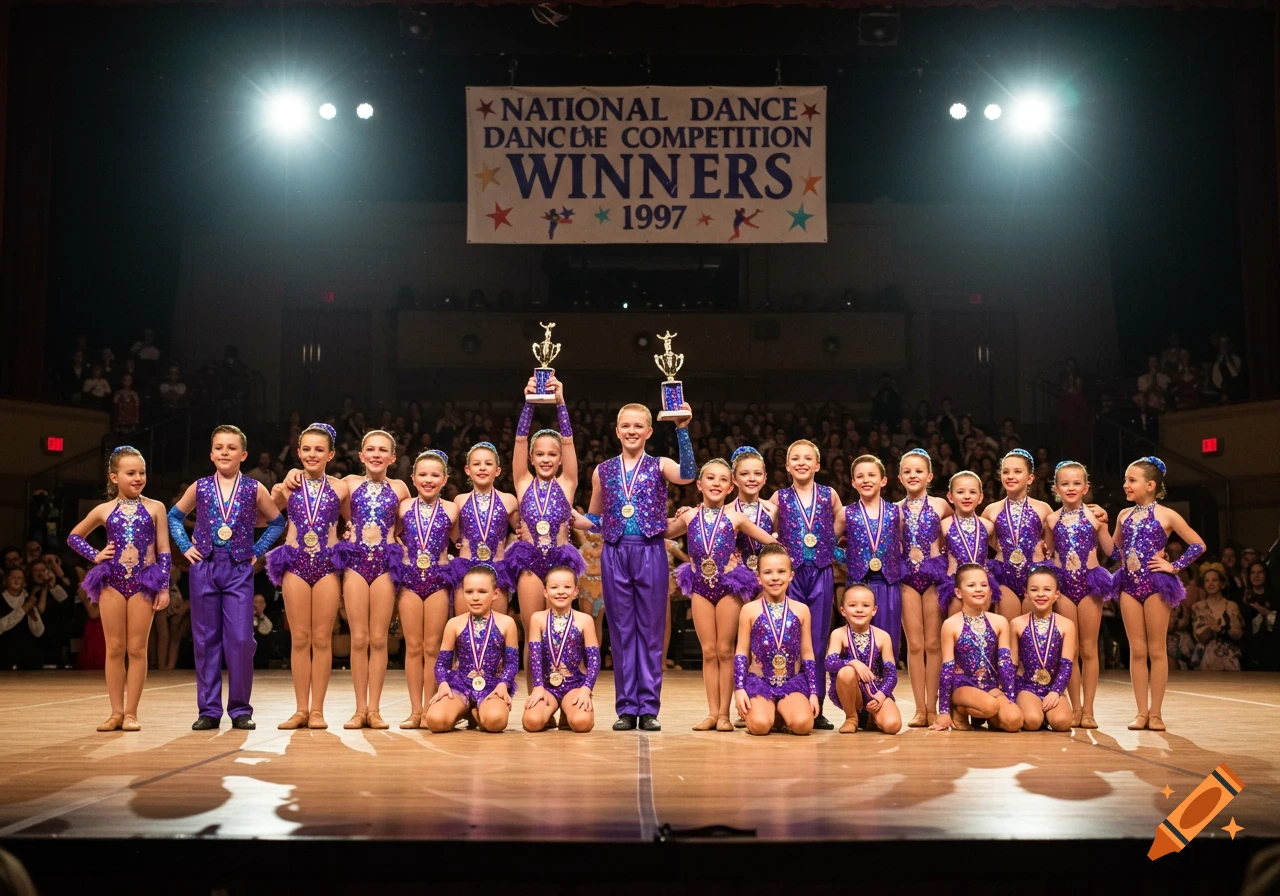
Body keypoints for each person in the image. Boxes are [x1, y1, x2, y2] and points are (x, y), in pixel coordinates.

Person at [581, 401, 695, 732]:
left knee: (650, 629)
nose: (631, 431)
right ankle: (627, 707)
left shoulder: (660, 465)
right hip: (615, 551)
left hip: (650, 550)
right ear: (617, 431)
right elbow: (594, 518)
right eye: (626, 426)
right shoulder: (602, 470)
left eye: (638, 426)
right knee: (620, 631)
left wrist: (682, 429)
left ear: (648, 431)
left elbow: (688, 475)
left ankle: (648, 707)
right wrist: (570, 518)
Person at [168, 425, 287, 731]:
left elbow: (277, 522)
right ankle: (208, 710)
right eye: (219, 447)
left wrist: (256, 550)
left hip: (237, 569)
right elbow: (174, 517)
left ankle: (240, 709)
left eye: (231, 448)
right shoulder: (200, 487)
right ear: (211, 453)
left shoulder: (253, 488)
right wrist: (185, 545)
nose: (224, 452)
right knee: (205, 640)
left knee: (241, 640)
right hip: (205, 567)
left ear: (243, 455)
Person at [66, 446, 172, 730]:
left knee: (137, 649)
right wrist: (95, 555)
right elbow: (74, 537)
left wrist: (163, 588)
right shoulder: (104, 509)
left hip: (143, 582)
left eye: (142, 472)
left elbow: (163, 550)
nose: (138, 478)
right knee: (114, 648)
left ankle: (131, 713)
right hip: (111, 582)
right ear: (114, 477)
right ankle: (115, 713)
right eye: (131, 473)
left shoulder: (156, 507)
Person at [667, 459, 775, 731]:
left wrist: (774, 568)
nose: (716, 483)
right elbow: (662, 531)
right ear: (699, 484)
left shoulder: (737, 518)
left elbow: (771, 542)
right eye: (710, 478)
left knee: (726, 651)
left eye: (723, 479)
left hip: (729, 586)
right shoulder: (689, 517)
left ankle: (725, 714)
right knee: (708, 651)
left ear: (730, 487)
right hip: (700, 586)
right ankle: (712, 713)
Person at [1111, 457, 1205, 731]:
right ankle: (1141, 712)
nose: (1126, 484)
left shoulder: (1167, 515)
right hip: (1128, 584)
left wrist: (1173, 566)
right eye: (1126, 480)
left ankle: (1156, 713)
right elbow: (1114, 550)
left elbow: (1198, 545)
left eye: (1132, 480)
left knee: (1156, 650)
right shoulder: (1123, 515)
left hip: (1156, 584)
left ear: (1150, 485)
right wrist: (1100, 525)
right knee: (1137, 650)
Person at [267, 423, 350, 730]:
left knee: (322, 639)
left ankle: (317, 711)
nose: (312, 454)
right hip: (295, 563)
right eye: (306, 449)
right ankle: (300, 709)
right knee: (300, 639)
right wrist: (282, 488)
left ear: (331, 454)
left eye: (319, 449)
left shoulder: (341, 488)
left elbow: (356, 522)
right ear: (298, 452)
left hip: (327, 564)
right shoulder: (287, 486)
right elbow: (267, 517)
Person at [507, 376, 584, 692]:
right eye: (539, 454)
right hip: (529, 563)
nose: (546, 459)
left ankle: (564, 695)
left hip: (560, 563)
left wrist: (560, 403)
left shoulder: (567, 483)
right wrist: (528, 403)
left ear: (560, 458)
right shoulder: (522, 482)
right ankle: (534, 698)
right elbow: (519, 440)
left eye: (552, 454)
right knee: (533, 634)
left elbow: (568, 442)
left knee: (563, 631)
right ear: (531, 458)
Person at [333, 431, 411, 729]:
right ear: (361, 455)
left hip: (384, 565)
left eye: (382, 450)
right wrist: (291, 474)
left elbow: (405, 524)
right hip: (355, 563)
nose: (376, 454)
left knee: (379, 639)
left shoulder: (400, 488)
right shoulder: (348, 483)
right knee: (359, 638)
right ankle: (359, 710)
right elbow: (326, 495)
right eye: (370, 449)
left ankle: (374, 710)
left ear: (392, 457)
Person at [773, 439, 846, 729]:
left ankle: (817, 705)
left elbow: (841, 521)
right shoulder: (779, 497)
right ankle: (787, 701)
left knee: (817, 640)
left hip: (820, 572)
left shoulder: (829, 495)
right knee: (788, 638)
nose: (801, 462)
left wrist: (826, 543)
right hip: (791, 575)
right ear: (787, 465)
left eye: (807, 458)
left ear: (817, 465)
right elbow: (762, 523)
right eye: (795, 458)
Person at [1043, 461, 1115, 729]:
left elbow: (1113, 551)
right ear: (1056, 488)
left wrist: (1106, 525)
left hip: (1089, 583)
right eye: (1065, 484)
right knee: (1070, 650)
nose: (1070, 488)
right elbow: (1049, 554)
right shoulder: (1052, 520)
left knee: (1088, 648)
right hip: (1063, 585)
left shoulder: (1095, 517)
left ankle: (1089, 709)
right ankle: (1075, 708)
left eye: (1076, 483)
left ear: (1086, 488)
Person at [395, 450, 460, 729]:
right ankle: (415, 711)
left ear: (444, 479)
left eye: (435, 475)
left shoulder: (452, 509)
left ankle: (431, 709)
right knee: (413, 647)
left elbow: (460, 540)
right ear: (413, 478)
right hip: (409, 578)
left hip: (438, 579)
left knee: (433, 646)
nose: (428, 479)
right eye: (422, 474)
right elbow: (391, 534)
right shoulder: (403, 506)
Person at [731, 544, 819, 736]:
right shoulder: (749, 610)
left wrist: (813, 692)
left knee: (803, 725)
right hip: (759, 682)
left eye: (781, 571)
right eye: (768, 572)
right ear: (758, 577)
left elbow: (807, 653)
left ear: (791, 575)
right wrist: (739, 689)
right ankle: (767, 711)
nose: (775, 577)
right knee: (760, 726)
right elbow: (741, 652)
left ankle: (780, 712)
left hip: (791, 682)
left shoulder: (801, 610)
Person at [425, 566, 520, 734]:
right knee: (435, 721)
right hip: (460, 685)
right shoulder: (454, 624)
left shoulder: (506, 623)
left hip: (492, 686)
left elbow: (512, 663)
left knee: (495, 722)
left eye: (482, 592)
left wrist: (503, 684)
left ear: (495, 594)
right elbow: (441, 664)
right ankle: (462, 711)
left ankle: (478, 712)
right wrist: (443, 684)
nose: (475, 597)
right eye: (469, 592)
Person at [931, 564, 1023, 732]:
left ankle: (984, 713)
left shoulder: (999, 622)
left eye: (983, 585)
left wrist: (1010, 698)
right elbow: (947, 669)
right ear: (959, 592)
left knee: (1014, 721)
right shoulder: (951, 624)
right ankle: (959, 710)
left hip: (990, 685)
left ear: (990, 590)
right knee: (990, 706)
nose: (979, 589)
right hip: (962, 685)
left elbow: (1005, 663)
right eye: (971, 585)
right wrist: (943, 711)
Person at [896, 448, 950, 726]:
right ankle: (920, 709)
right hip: (906, 579)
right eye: (907, 471)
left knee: (933, 644)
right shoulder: (894, 509)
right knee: (915, 645)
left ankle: (934, 706)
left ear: (929, 476)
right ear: (899, 477)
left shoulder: (942, 506)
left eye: (918, 471)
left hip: (933, 580)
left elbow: (958, 531)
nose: (913, 475)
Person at [521, 565, 601, 733]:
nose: (561, 592)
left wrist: (586, 689)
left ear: (576, 591)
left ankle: (568, 711)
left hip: (574, 685)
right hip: (547, 687)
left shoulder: (585, 620)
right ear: (545, 592)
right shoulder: (538, 618)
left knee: (582, 723)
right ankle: (549, 714)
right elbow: (534, 657)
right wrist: (538, 687)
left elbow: (594, 659)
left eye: (567, 587)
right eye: (554, 587)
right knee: (531, 722)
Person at [842, 455, 905, 667]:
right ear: (853, 482)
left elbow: (905, 545)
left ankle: (885, 686)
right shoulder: (846, 513)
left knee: (888, 642)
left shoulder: (896, 512)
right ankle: (859, 684)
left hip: (889, 584)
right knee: (858, 643)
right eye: (860, 476)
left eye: (871, 475)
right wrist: (851, 559)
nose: (866, 480)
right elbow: (826, 545)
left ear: (883, 480)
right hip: (859, 584)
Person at [451, 442, 518, 616]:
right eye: (476, 464)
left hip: (497, 570)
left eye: (488, 464)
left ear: (498, 470)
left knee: (496, 626)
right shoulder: (459, 501)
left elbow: (523, 531)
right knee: (464, 626)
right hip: (466, 569)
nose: (482, 468)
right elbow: (453, 534)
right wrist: (459, 543)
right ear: (468, 470)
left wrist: (510, 546)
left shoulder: (509, 500)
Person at [826, 583, 902, 734]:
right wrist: (853, 662)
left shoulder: (883, 637)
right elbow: (830, 663)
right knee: (846, 672)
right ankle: (852, 717)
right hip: (852, 692)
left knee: (893, 726)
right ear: (843, 610)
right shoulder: (838, 634)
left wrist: (881, 695)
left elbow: (891, 674)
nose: (859, 609)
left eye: (866, 605)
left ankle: (869, 719)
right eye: (852, 605)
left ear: (874, 610)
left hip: (875, 690)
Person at [983, 449, 1050, 621]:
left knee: (1031, 630)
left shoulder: (1043, 509)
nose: (1010, 476)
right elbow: (980, 540)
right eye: (1006, 472)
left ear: (1030, 478)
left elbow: (1054, 541)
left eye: (1017, 471)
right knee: (1009, 627)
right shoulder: (991, 510)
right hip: (1004, 575)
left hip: (1035, 576)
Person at [1010, 567, 1077, 732]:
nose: (1041, 594)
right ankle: (1034, 710)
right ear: (1026, 594)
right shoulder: (1017, 623)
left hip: (1053, 686)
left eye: (1047, 589)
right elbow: (1012, 663)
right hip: (1027, 686)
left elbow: (1067, 664)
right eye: (1034, 590)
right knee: (1032, 721)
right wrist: (1009, 695)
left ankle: (1047, 713)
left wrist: (1056, 691)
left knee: (1062, 723)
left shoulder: (1066, 625)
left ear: (1056, 594)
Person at [937, 471, 999, 616]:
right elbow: (936, 554)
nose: (967, 496)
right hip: (954, 584)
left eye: (972, 492)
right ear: (950, 497)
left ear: (980, 497)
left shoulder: (988, 526)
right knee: (957, 624)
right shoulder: (943, 526)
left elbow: (1000, 549)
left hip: (982, 585)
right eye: (960, 492)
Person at [1189, 563, 1244, 672]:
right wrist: (1210, 628)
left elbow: (1238, 634)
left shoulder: (1231, 606)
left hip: (1229, 654)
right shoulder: (1198, 607)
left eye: (1214, 580)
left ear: (1222, 584)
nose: (1210, 583)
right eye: (1207, 581)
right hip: (1206, 655)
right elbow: (1200, 636)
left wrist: (1223, 629)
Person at [0, 569, 45, 670]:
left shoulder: (28, 600)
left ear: (24, 582)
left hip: (26, 658)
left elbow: (39, 632)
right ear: (5, 580)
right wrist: (23, 609)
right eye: (13, 577)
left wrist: (32, 612)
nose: (16, 580)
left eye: (19, 578)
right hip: (3, 657)